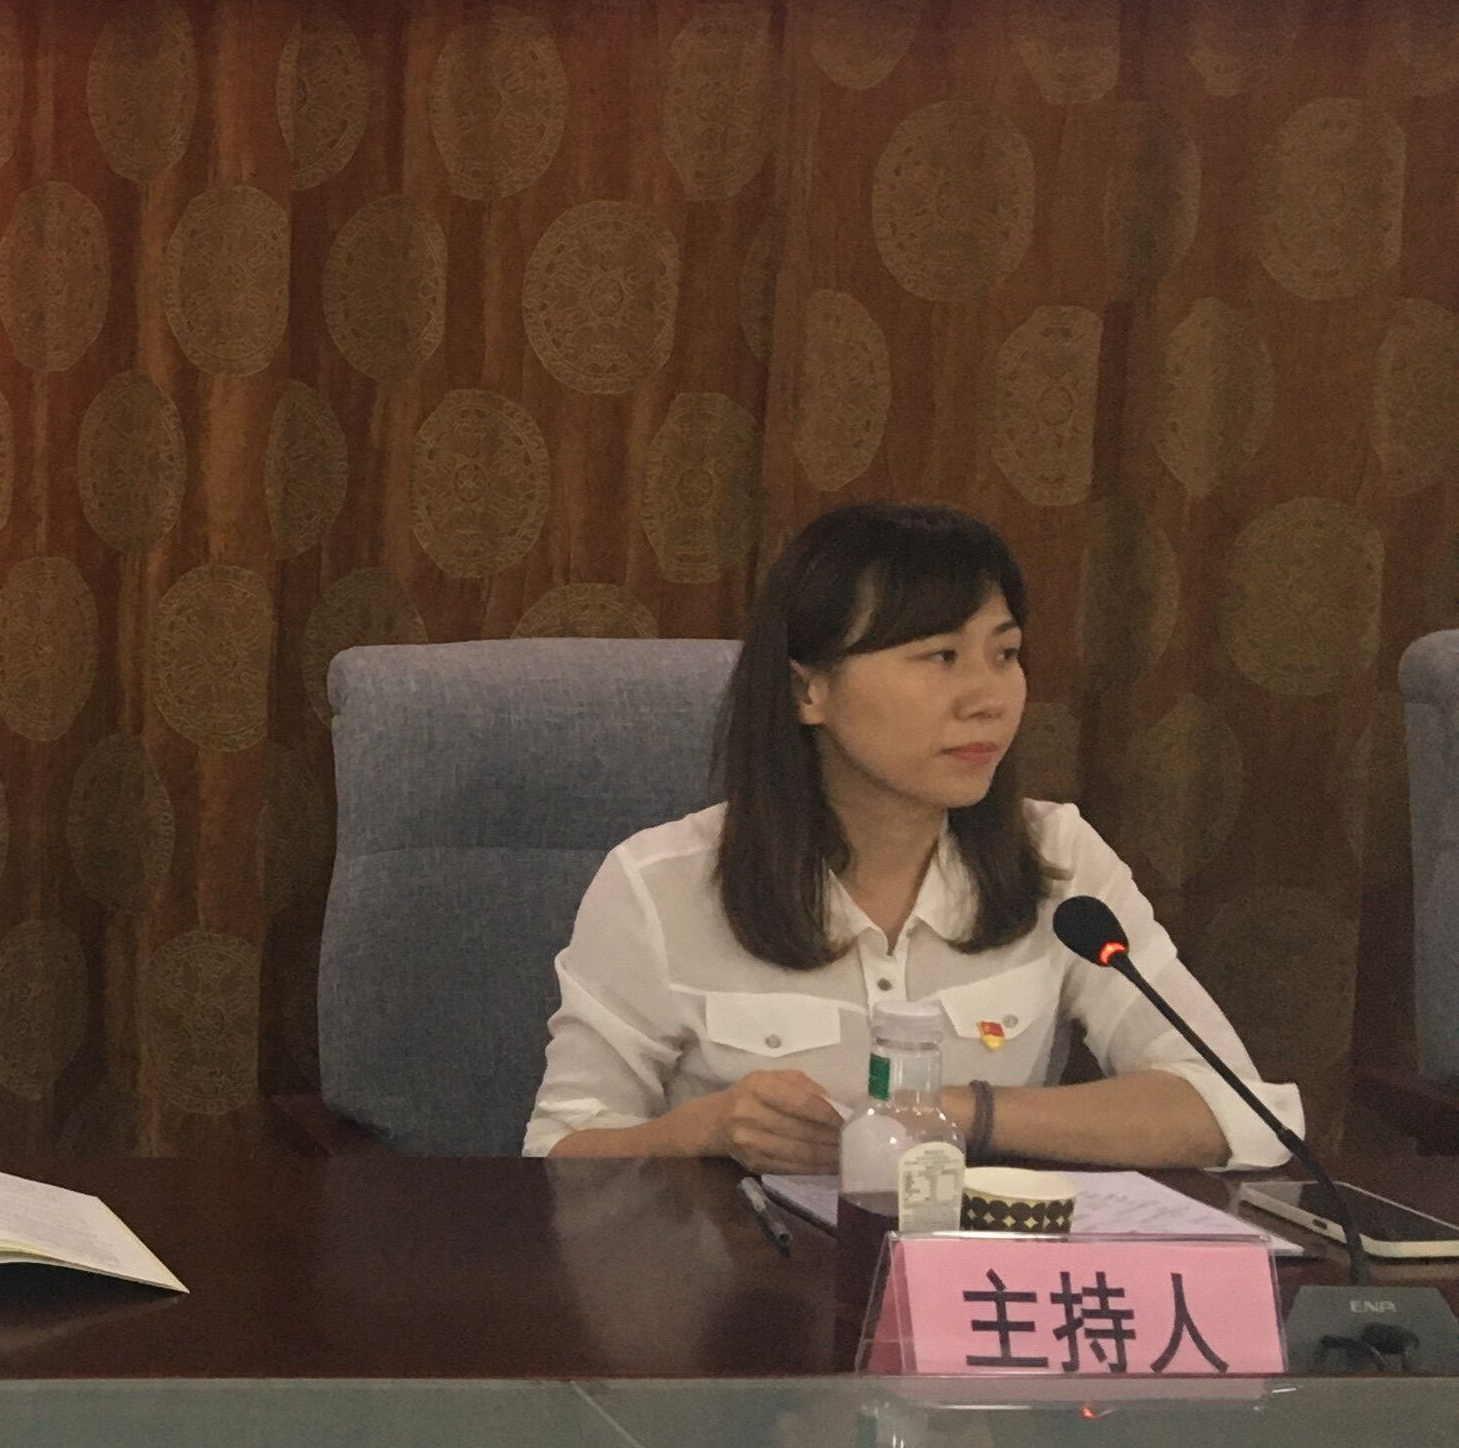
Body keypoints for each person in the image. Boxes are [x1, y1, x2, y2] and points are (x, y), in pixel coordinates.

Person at [529, 500, 1298, 1173]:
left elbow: (1232, 1110)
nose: (987, 698)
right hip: (747, 1282)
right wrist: (703, 1131)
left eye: (1005, 654)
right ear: (808, 690)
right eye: (940, 657)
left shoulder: (1057, 857)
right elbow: (557, 1152)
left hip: (974, 1281)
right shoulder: (659, 883)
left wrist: (956, 1113)